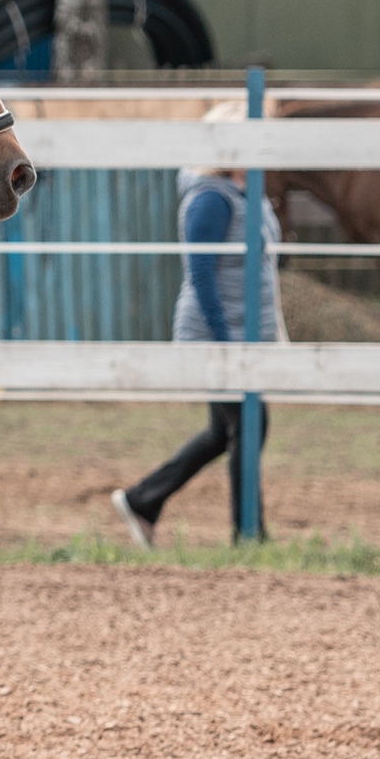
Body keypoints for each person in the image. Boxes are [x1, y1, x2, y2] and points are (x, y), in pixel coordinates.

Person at [113, 103, 287, 543]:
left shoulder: (250, 193)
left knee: (222, 431)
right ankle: (249, 534)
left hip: (244, 330)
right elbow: (201, 273)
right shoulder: (211, 197)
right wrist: (225, 339)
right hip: (217, 331)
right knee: (249, 424)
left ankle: (143, 500)